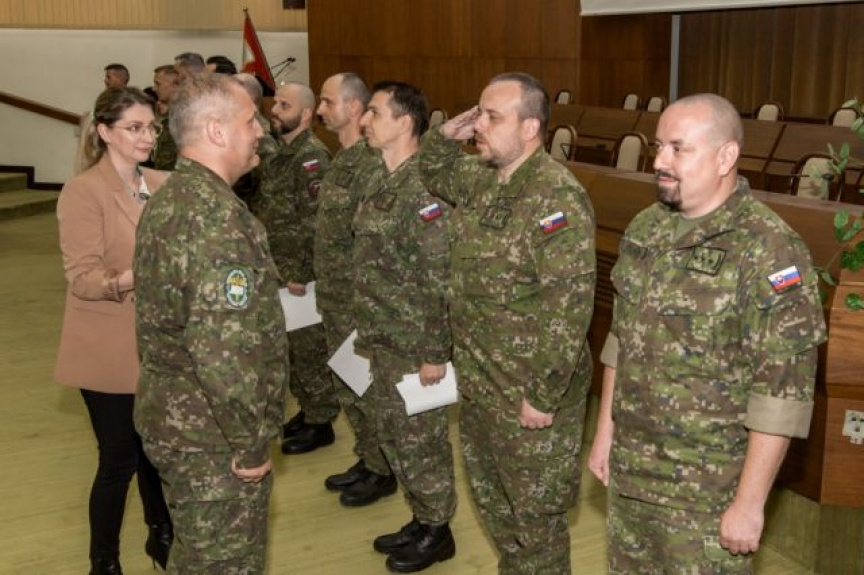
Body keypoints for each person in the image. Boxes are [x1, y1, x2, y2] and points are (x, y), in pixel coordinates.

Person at [587, 93, 827, 573]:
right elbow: (621, 339)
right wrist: (605, 432)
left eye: (679, 148)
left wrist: (749, 503)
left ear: (725, 156)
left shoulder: (769, 249)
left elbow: (782, 392)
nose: (660, 161)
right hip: (633, 475)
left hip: (707, 495)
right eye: (659, 146)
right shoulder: (647, 228)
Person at [418, 72, 596, 574]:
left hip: (528, 394)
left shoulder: (555, 197)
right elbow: (433, 169)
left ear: (530, 128)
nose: (480, 125)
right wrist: (445, 133)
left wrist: (543, 394)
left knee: (535, 520)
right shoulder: (480, 178)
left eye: (493, 117)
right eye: (478, 114)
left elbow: (569, 308)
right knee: (494, 504)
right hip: (481, 384)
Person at [133, 73, 287, 574]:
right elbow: (224, 352)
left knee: (198, 555)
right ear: (217, 132)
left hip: (180, 420)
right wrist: (249, 441)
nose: (260, 130)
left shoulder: (173, 197)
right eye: (250, 121)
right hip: (211, 436)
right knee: (224, 563)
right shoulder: (217, 221)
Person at [55, 86, 172, 575]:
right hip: (107, 349)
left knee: (157, 454)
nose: (148, 137)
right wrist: (135, 277)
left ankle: (162, 538)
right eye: (134, 128)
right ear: (104, 132)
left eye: (152, 127)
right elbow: (82, 277)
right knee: (119, 459)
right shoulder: (83, 191)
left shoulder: (165, 182)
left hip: (160, 345)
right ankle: (103, 561)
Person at [353, 81, 457, 573]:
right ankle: (421, 517)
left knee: (421, 441)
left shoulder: (424, 189)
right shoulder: (380, 179)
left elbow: (439, 276)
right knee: (394, 435)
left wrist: (436, 352)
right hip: (382, 336)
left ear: (405, 122)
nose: (364, 121)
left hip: (415, 343)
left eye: (375, 112)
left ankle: (438, 529)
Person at [314, 72, 396, 504]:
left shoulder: (371, 164)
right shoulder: (341, 160)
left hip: (358, 301)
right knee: (348, 384)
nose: (320, 110)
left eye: (327, 101)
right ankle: (368, 455)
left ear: (352, 108)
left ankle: (383, 467)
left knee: (367, 389)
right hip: (333, 296)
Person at [249, 82, 340, 455]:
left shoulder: (311, 157)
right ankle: (307, 408)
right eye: (275, 104)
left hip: (300, 276)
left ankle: (321, 421)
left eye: (284, 106)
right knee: (290, 351)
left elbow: (315, 223)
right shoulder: (282, 152)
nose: (275, 111)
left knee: (308, 350)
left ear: (305, 114)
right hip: (278, 268)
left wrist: (301, 273)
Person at [150, 65, 179, 170]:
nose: (154, 88)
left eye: (158, 84)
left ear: (175, 85)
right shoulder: (162, 115)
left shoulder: (184, 118)